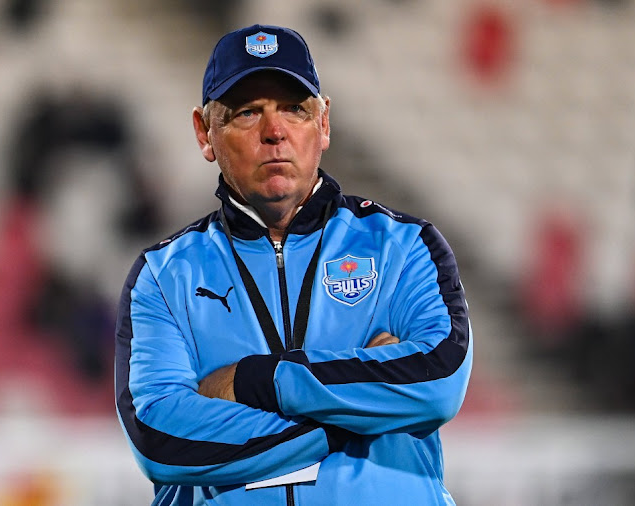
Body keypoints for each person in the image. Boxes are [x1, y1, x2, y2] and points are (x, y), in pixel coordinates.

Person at [115, 24, 473, 506]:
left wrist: (253, 381)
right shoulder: (162, 276)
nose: (274, 131)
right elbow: (162, 438)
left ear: (324, 124)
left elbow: (437, 381)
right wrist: (360, 412)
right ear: (205, 133)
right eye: (246, 112)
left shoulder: (405, 246)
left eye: (294, 109)